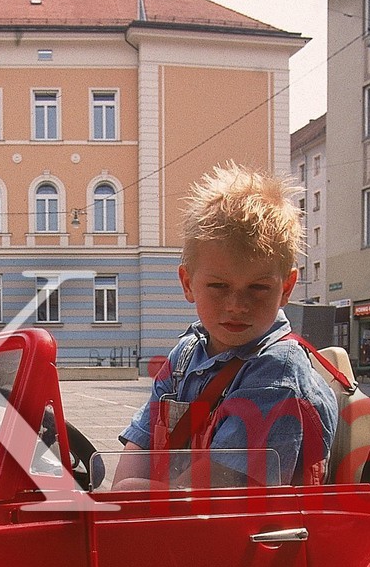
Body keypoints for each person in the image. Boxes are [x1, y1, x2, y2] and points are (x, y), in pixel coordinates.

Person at [116, 162, 336, 489]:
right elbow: (142, 440)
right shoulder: (185, 355)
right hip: (185, 516)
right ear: (188, 283)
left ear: (286, 288)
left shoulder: (278, 370)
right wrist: (118, 499)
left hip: (250, 521)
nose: (236, 305)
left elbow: (216, 492)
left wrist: (127, 493)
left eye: (258, 287)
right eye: (218, 286)